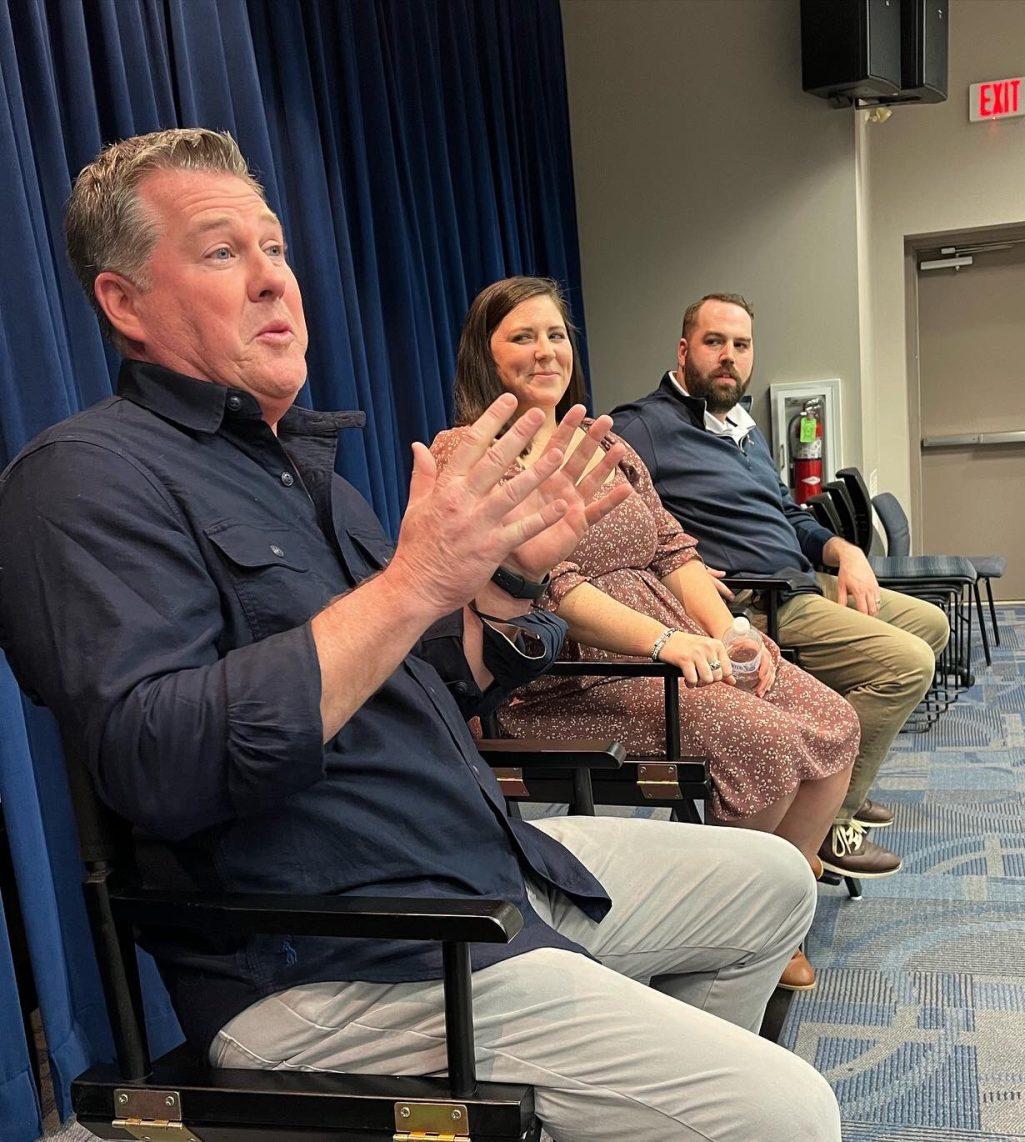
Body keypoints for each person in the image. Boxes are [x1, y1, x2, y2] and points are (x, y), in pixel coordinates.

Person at [0, 130, 841, 1141]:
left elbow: (435, 683)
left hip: (482, 864)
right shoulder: (82, 481)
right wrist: (413, 582)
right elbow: (159, 759)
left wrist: (508, 585)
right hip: (346, 954)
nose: (274, 279)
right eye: (224, 252)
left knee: (772, 883)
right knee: (788, 1111)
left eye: (275, 247)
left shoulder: (302, 471)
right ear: (123, 302)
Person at [431, 276, 860, 992]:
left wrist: (729, 631)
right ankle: (733, 918)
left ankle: (776, 909)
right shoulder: (469, 453)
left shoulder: (600, 443)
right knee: (771, 742)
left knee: (834, 719)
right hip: (567, 677)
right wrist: (668, 645)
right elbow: (554, 589)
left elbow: (672, 549)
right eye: (523, 336)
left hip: (674, 641)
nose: (546, 351)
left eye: (556, 334)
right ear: (485, 353)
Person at [611, 293, 952, 879]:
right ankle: (832, 824)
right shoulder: (641, 426)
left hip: (802, 581)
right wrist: (675, 567)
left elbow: (790, 516)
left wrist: (842, 549)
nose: (729, 358)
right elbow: (615, 519)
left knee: (932, 623)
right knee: (907, 663)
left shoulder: (745, 428)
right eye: (715, 342)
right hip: (754, 600)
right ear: (684, 349)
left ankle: (837, 768)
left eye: (741, 346)